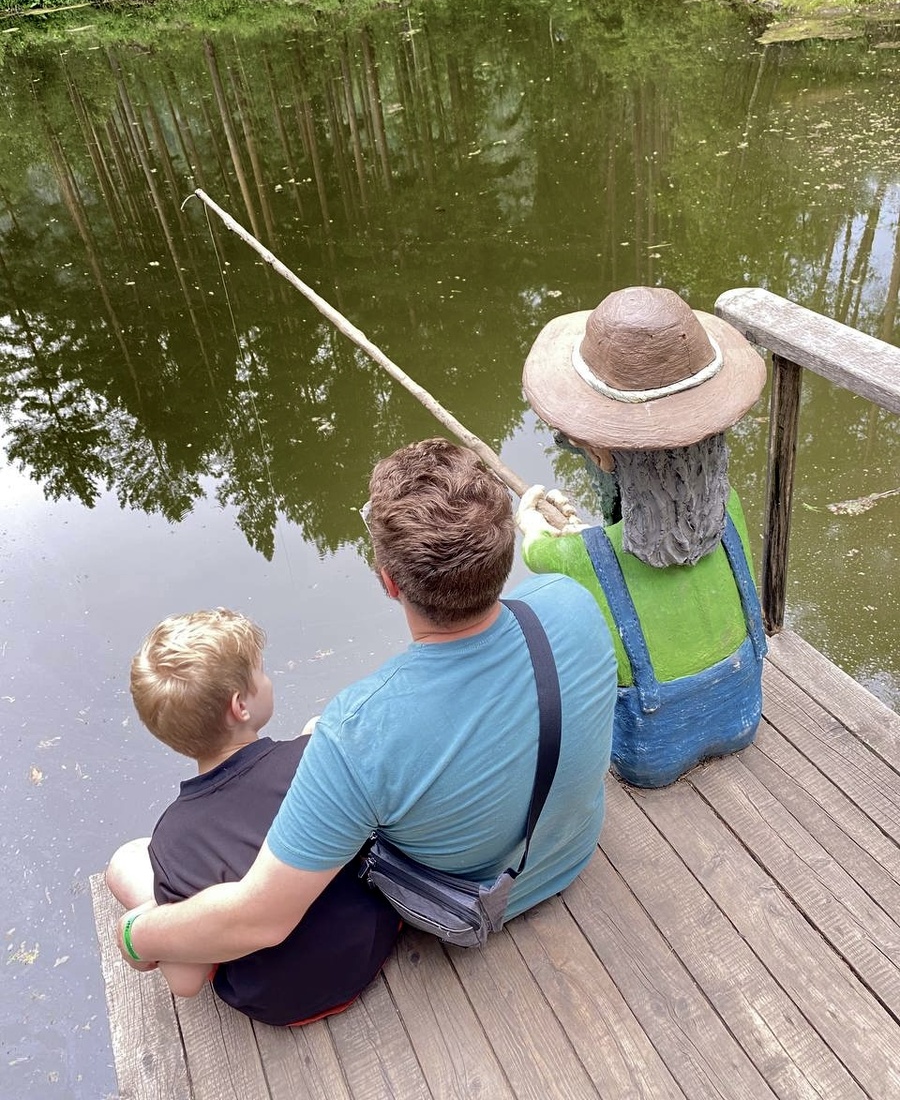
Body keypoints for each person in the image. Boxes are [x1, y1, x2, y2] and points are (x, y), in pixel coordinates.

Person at [114, 438, 618, 975]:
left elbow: (260, 921)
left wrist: (136, 935)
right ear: (505, 547)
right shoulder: (572, 600)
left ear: (388, 582)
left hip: (463, 908)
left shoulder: (357, 732)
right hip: (573, 852)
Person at [517, 285, 768, 788]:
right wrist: (589, 536)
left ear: (604, 455)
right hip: (743, 717)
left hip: (651, 756)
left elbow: (537, 548)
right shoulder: (733, 509)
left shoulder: (580, 557)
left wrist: (533, 518)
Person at [105, 607, 400, 1025]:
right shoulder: (311, 761)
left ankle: (166, 909)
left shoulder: (175, 839)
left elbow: (185, 984)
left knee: (128, 860)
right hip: (371, 943)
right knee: (316, 731)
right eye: (261, 673)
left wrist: (150, 918)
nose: (269, 680)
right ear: (240, 705)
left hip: (278, 1001)